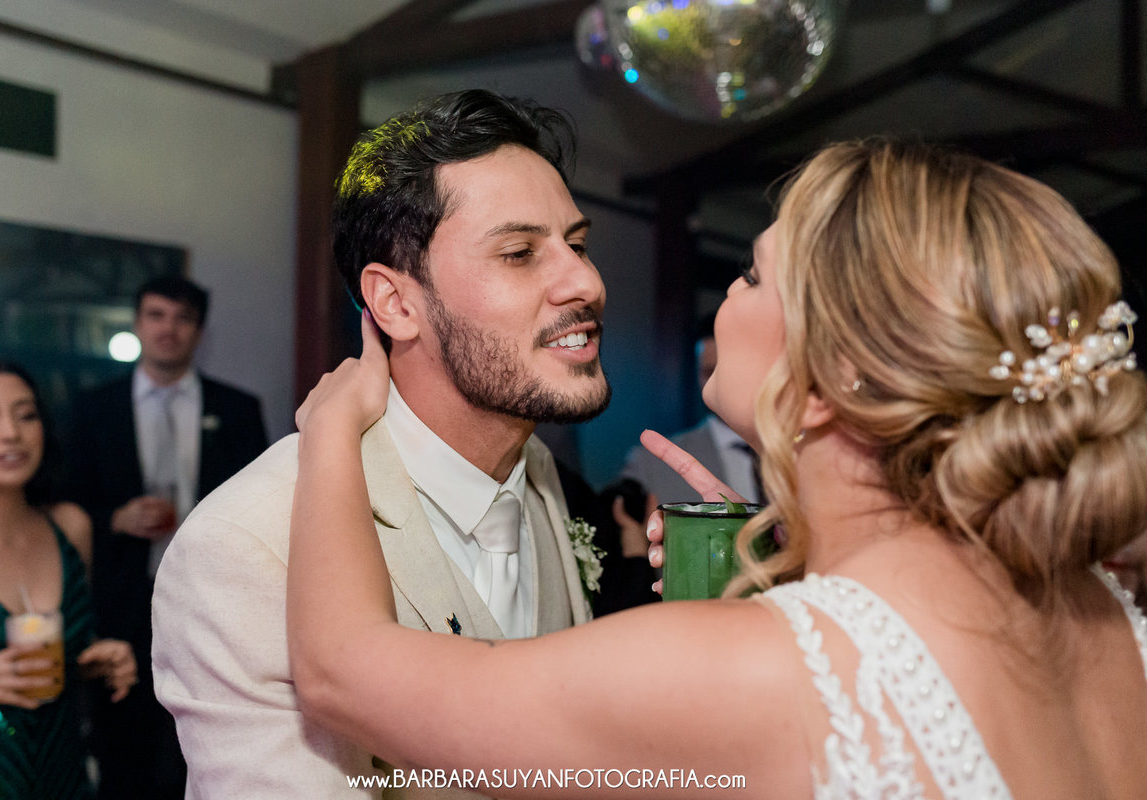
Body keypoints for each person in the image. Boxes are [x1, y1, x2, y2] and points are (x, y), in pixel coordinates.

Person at [286, 139, 1147, 798]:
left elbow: (340, 671)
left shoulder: (759, 670)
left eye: (753, 277)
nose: (727, 298)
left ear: (829, 379)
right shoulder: (1103, 612)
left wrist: (330, 431)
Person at [151, 89, 611, 797]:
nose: (585, 281)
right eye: (520, 252)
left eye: (576, 246)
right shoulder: (246, 548)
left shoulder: (540, 473)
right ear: (396, 303)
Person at [67, 275, 268, 799]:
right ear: (137, 324)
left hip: (210, 598)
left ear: (199, 331)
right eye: (156, 315)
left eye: (182, 319)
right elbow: (63, 501)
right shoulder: (94, 408)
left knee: (201, 742)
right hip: (121, 597)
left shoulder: (238, 409)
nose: (168, 329)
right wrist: (116, 518)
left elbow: (261, 503)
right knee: (122, 743)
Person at [0, 360, 137, 799]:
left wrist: (94, 659)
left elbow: (62, 655)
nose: (10, 433)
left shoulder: (70, 527)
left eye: (26, 415)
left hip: (64, 780)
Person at [618, 319, 762, 506]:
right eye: (709, 372)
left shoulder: (798, 447)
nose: (720, 382)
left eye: (731, 369)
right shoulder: (650, 464)